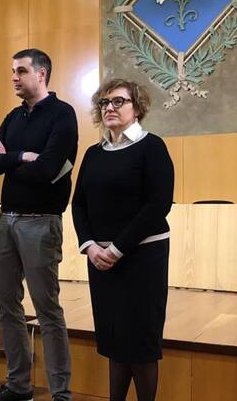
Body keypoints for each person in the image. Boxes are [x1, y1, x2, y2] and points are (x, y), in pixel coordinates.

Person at [0, 48, 78, 401]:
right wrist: (21, 156)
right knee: (6, 305)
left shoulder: (63, 114)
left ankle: (60, 393)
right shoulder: (13, 116)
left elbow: (49, 170)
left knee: (47, 310)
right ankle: (19, 386)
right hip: (5, 220)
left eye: (20, 71)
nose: (14, 77)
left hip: (41, 222)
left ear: (41, 74)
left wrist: (6, 161)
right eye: (12, 71)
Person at [71, 78, 174, 401]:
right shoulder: (93, 153)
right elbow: (79, 204)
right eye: (104, 103)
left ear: (137, 108)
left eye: (118, 101)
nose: (109, 108)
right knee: (115, 340)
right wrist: (89, 246)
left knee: (140, 343)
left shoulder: (151, 146)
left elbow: (158, 204)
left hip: (142, 257)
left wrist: (116, 249)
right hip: (101, 260)